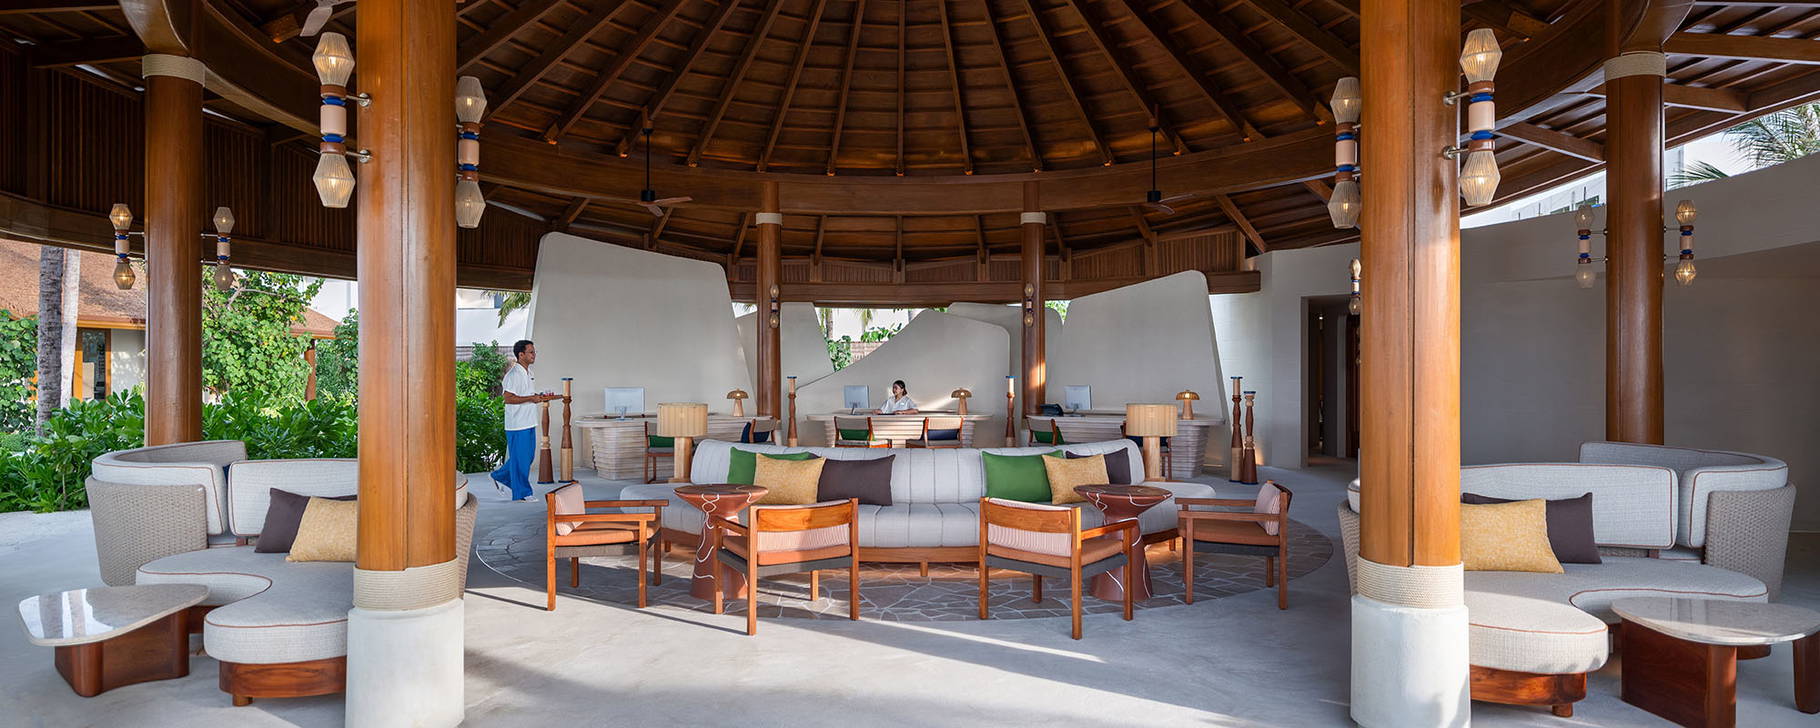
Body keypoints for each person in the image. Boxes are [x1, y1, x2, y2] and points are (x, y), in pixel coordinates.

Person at [492, 339, 559, 501]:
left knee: (526, 457)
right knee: (521, 459)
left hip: (529, 421)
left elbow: (526, 395)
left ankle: (499, 475)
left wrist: (537, 397)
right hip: (517, 424)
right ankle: (523, 493)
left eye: (534, 352)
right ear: (521, 355)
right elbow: (508, 398)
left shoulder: (529, 373)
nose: (534, 355)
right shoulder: (514, 374)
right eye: (531, 352)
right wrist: (531, 398)